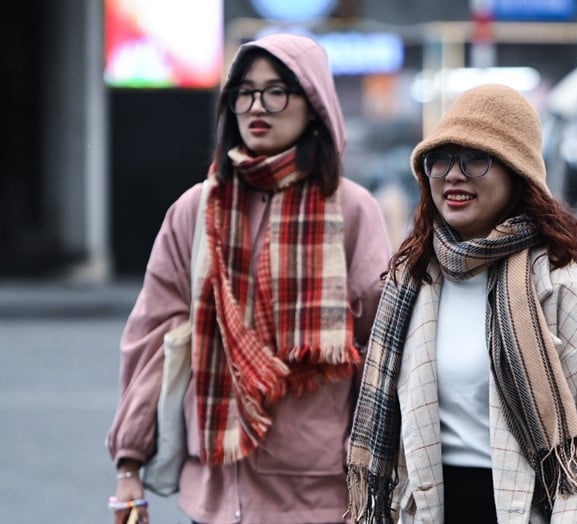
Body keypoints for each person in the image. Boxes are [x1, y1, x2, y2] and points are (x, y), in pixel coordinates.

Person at [106, 33, 392, 524]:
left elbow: (383, 352)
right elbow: (153, 337)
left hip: (319, 494)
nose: (258, 106)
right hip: (219, 489)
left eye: (277, 90)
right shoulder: (196, 209)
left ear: (315, 102)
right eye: (244, 91)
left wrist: (373, 474)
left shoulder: (352, 209)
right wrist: (129, 461)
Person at [346, 84, 577, 523]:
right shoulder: (412, 280)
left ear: (517, 173)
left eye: (476, 159)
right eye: (441, 159)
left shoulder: (559, 286)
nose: (453, 175)